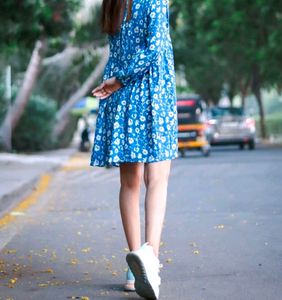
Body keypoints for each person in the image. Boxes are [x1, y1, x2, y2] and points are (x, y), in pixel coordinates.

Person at [90, 0, 178, 299]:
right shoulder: (153, 1)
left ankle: (132, 269)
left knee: (129, 184)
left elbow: (117, 50)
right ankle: (149, 258)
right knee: (158, 179)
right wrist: (121, 80)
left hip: (121, 95)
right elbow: (154, 50)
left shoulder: (113, 3)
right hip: (153, 91)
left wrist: (115, 82)